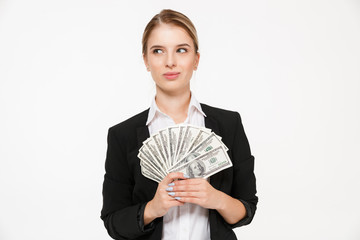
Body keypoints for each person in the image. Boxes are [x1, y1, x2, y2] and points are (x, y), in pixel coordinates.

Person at [101, 9, 258, 240]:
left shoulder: (229, 124)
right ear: (146, 60)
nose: (170, 62)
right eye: (158, 51)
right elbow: (113, 223)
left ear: (196, 59)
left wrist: (216, 199)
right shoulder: (121, 135)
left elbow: (247, 209)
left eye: (181, 50)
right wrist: (153, 208)